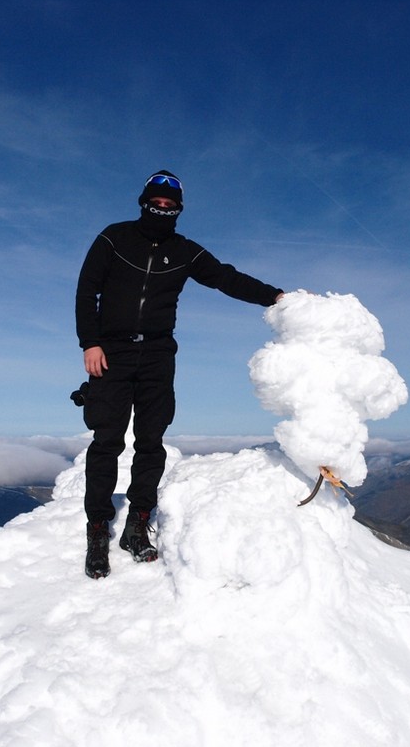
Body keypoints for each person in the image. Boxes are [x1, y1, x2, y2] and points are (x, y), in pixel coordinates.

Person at [75, 170, 284, 579]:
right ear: (144, 201)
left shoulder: (184, 250)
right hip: (112, 352)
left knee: (151, 442)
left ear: (179, 210)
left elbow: (227, 278)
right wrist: (90, 342)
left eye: (171, 206)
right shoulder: (114, 237)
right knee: (106, 442)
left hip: (157, 354)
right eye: (157, 202)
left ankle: (137, 524)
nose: (162, 209)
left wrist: (276, 297)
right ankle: (97, 528)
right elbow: (87, 290)